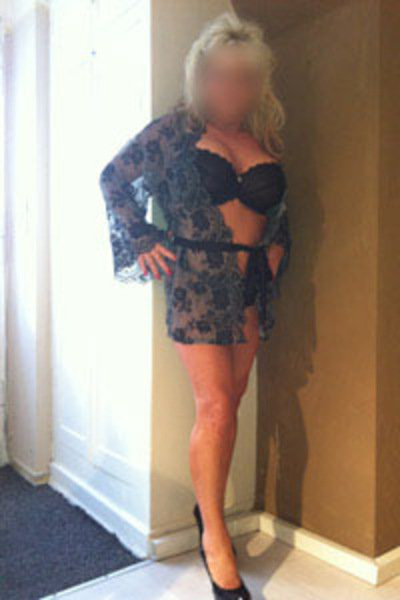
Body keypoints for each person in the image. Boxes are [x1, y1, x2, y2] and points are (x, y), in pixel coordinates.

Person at [99, 11, 292, 600]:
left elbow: (278, 211)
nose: (231, 87)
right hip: (198, 283)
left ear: (257, 83)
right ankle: (215, 539)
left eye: (243, 77)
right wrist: (143, 238)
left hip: (249, 285)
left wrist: (276, 246)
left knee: (231, 403)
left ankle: (206, 511)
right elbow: (114, 178)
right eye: (219, 74)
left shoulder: (262, 139)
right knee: (215, 407)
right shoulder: (176, 130)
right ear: (201, 76)